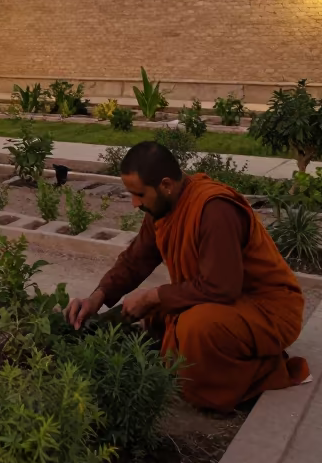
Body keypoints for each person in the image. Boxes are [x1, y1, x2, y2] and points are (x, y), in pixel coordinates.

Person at [66, 141, 309, 411]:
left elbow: (222, 287)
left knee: (193, 326)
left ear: (166, 185)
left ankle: (259, 371)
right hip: (228, 301)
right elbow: (136, 259)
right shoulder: (162, 207)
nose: (135, 204)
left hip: (269, 309)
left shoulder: (214, 209)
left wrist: (153, 296)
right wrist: (96, 298)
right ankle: (206, 354)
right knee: (157, 313)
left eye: (139, 194)